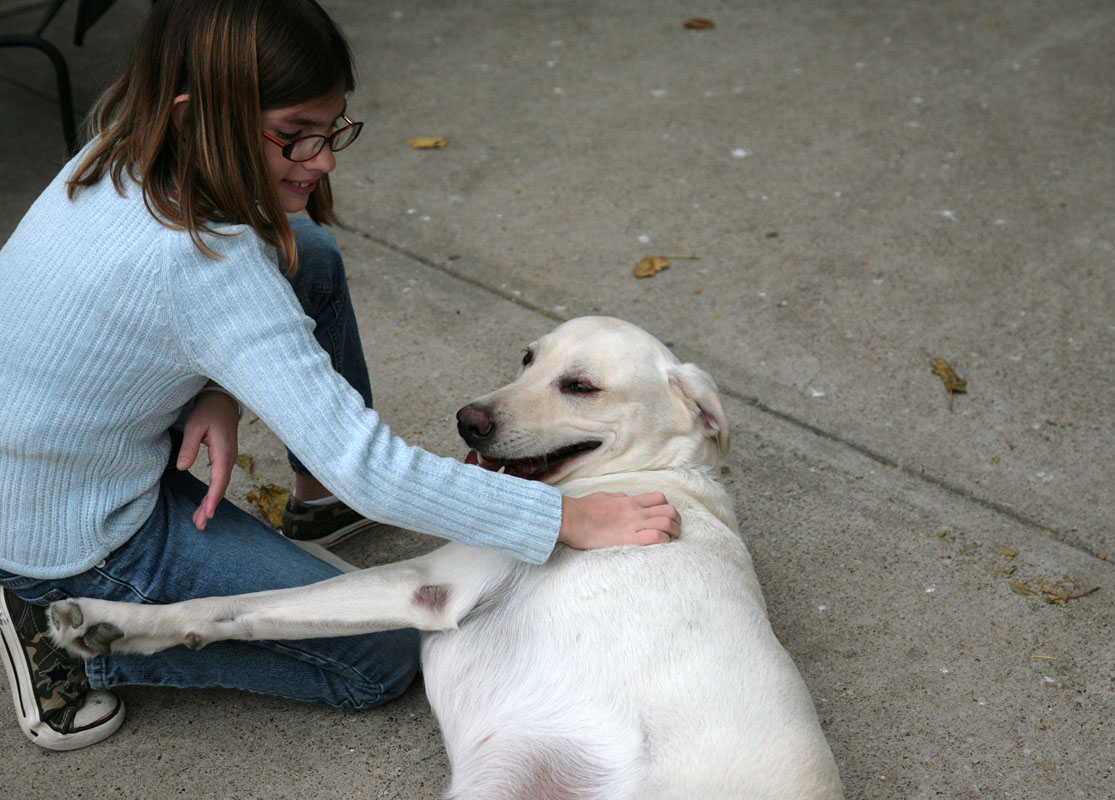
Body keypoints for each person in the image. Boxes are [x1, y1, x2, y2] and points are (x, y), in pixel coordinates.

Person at [0, 0, 679, 752]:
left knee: (306, 252)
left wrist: (218, 386)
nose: (323, 158)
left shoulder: (127, 142)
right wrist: (566, 521)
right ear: (197, 117)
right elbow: (371, 468)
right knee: (382, 660)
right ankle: (54, 634)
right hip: (76, 536)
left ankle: (315, 506)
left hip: (65, 459)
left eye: (332, 129)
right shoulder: (201, 267)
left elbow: (173, 307)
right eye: (294, 136)